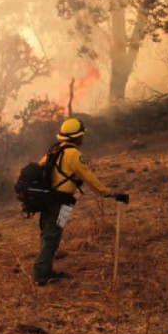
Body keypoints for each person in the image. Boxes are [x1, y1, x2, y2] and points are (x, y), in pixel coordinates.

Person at [33, 117, 119, 286]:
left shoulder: (54, 150)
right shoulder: (73, 154)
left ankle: (47, 271)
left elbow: (39, 168)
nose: (82, 139)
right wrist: (107, 193)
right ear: (76, 137)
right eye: (81, 136)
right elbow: (89, 177)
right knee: (53, 237)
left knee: (48, 235)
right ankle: (41, 275)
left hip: (48, 200)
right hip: (63, 202)